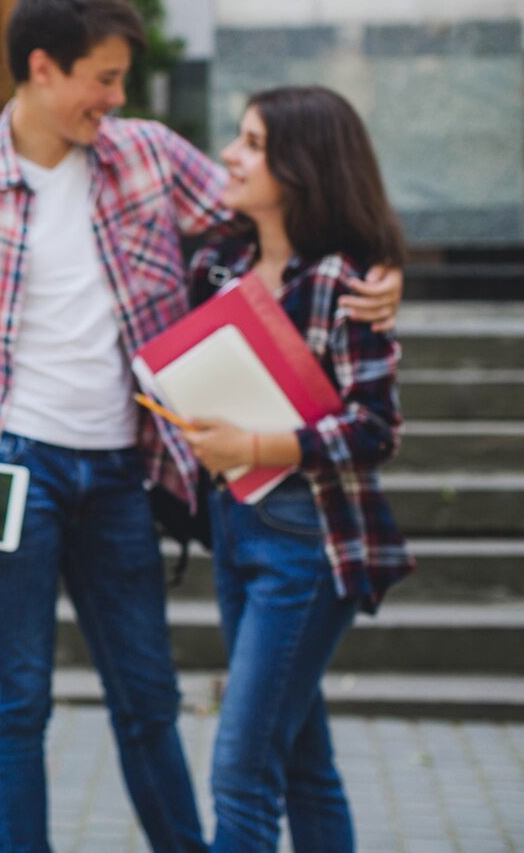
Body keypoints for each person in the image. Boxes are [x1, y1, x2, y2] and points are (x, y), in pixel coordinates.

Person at [0, 0, 402, 853]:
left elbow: (279, 213)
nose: (117, 99)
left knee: (148, 698)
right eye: (105, 77)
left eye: (123, 81)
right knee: (18, 698)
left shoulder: (148, 156)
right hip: (8, 464)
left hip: (124, 467)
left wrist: (380, 273)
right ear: (44, 69)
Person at [184, 86, 414, 853]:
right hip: (233, 524)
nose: (230, 154)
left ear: (300, 166)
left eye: (251, 142)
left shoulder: (344, 282)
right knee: (303, 761)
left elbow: (375, 428)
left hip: (307, 542)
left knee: (241, 770)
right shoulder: (224, 261)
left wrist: (254, 447)